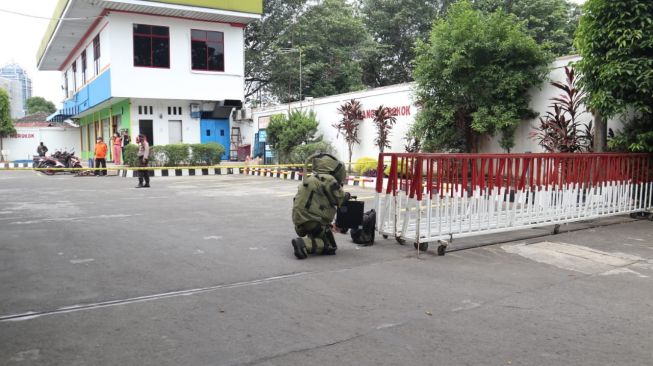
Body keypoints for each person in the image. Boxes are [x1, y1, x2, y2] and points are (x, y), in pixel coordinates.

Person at [291, 153, 350, 259]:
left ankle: (311, 239)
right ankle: (304, 243)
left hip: (299, 220)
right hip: (312, 220)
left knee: (322, 235)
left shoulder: (312, 179)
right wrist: (347, 196)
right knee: (330, 246)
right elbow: (339, 198)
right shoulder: (329, 179)